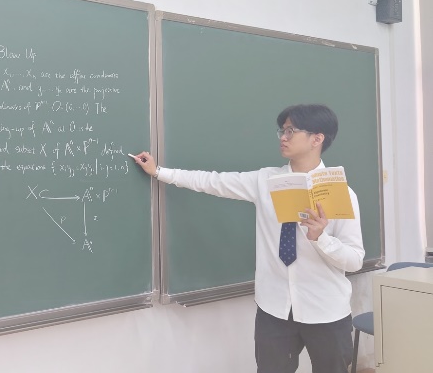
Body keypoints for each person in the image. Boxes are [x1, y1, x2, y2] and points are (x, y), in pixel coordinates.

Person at [132, 104, 364, 373]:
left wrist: (321, 238)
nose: (283, 137)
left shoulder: (340, 194)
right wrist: (159, 172)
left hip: (325, 311)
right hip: (274, 309)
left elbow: (355, 260)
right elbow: (212, 182)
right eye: (282, 130)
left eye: (291, 131)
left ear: (317, 138)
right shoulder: (265, 180)